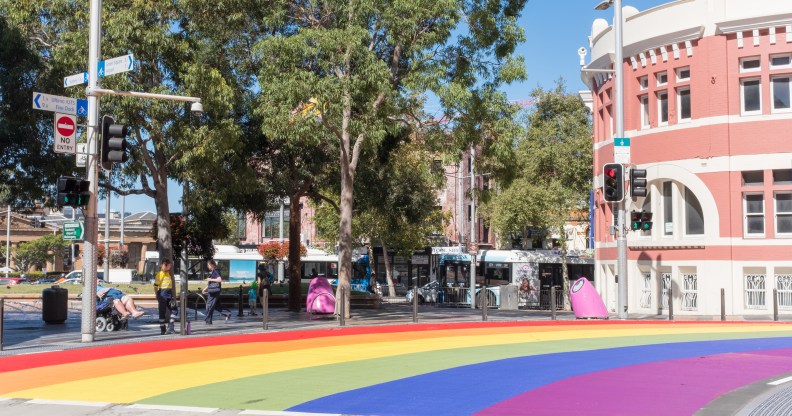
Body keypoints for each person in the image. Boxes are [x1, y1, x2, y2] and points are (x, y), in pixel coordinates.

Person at [154, 259, 176, 335]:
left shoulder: (168, 273)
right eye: (169, 265)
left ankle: (170, 326)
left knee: (174, 310)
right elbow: (155, 286)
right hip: (162, 294)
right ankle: (163, 329)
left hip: (169, 294)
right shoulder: (160, 274)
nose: (170, 266)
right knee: (162, 312)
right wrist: (157, 295)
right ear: (165, 265)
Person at [202, 259, 222, 324]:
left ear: (212, 265)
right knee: (210, 305)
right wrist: (205, 289)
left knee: (209, 305)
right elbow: (211, 283)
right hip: (212, 290)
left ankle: (207, 319)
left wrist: (211, 279)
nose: (208, 266)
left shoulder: (215, 271)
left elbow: (219, 280)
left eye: (208, 265)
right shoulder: (214, 271)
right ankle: (208, 320)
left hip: (214, 291)